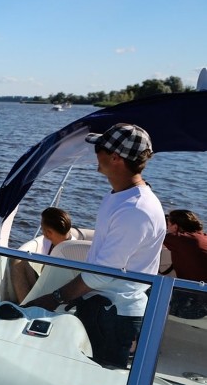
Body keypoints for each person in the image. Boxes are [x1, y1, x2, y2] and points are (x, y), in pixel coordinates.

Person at [25, 123, 165, 368]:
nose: (95, 154)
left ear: (115, 157)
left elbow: (102, 274)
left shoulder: (136, 209)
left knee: (99, 377)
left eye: (99, 148)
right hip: (102, 306)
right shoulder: (121, 196)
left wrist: (54, 298)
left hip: (116, 314)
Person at [10, 207, 73, 302]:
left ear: (49, 233)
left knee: (17, 265)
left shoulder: (72, 251)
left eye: (42, 228)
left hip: (58, 295)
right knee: (19, 261)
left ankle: (26, 307)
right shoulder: (51, 241)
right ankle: (26, 304)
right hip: (47, 285)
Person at [163, 209, 207, 319]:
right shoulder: (202, 238)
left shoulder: (181, 239)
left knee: (143, 295)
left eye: (168, 224)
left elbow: (153, 236)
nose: (167, 228)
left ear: (175, 227)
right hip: (200, 298)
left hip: (196, 306)